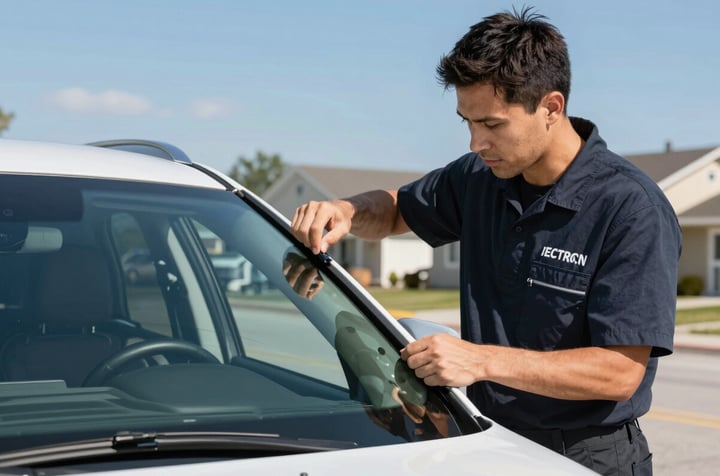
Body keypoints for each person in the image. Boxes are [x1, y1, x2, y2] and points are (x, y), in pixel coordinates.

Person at [290, 7, 681, 475]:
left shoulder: (630, 208)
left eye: (492, 125)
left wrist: (479, 361)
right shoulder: (479, 178)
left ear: (551, 108)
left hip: (585, 456)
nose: (476, 142)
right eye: (467, 122)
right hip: (487, 441)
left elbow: (620, 372)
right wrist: (346, 211)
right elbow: (396, 210)